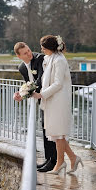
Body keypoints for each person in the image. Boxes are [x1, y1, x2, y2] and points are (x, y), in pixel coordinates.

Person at [33, 35, 83, 174]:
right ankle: (72, 158)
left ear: (50, 48)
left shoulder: (59, 60)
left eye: (43, 47)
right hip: (52, 100)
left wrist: (41, 94)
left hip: (59, 101)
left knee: (59, 134)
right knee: (55, 134)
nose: (41, 49)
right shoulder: (49, 58)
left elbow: (58, 83)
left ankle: (61, 163)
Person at [13, 42, 57, 172]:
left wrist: (26, 92)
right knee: (44, 128)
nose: (29, 53)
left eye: (29, 50)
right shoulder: (21, 67)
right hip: (41, 100)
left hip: (50, 98)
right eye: (25, 53)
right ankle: (48, 159)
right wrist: (20, 93)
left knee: (51, 129)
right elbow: (28, 83)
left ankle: (54, 161)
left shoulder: (40, 59)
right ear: (19, 56)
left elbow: (40, 80)